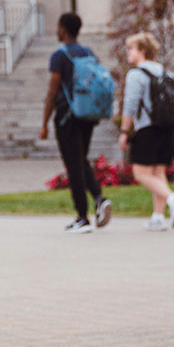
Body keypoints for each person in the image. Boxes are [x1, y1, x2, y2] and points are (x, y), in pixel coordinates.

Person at [39, 12, 113, 233]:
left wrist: (44, 123)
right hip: (87, 115)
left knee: (73, 166)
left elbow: (52, 92)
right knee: (81, 160)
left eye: (59, 27)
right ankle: (100, 199)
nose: (57, 30)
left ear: (63, 29)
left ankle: (82, 217)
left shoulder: (59, 56)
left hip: (67, 117)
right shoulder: (88, 53)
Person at [117, 33, 174, 232]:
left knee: (140, 173)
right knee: (158, 172)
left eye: (131, 48)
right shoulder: (166, 73)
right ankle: (157, 218)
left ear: (142, 50)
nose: (128, 52)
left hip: (146, 128)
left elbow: (130, 104)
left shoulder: (136, 74)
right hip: (167, 129)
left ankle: (172, 199)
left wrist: (124, 131)